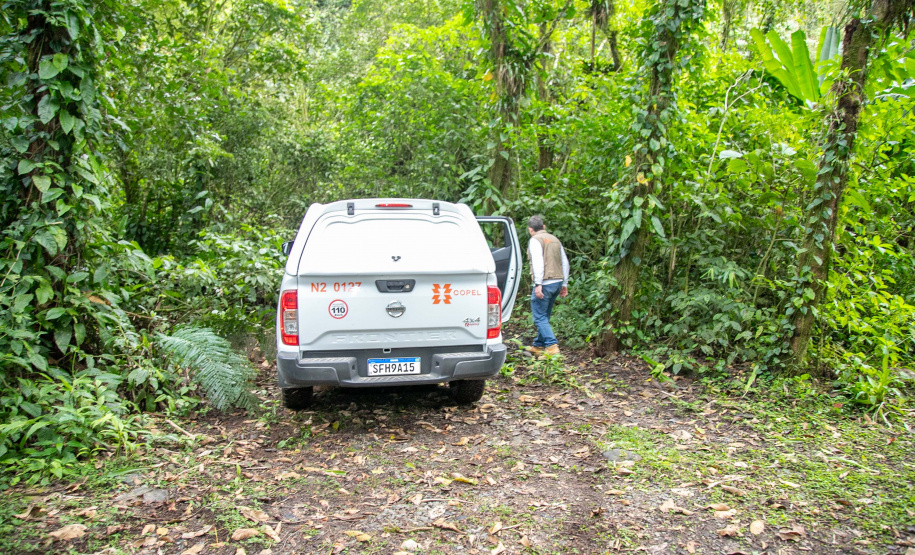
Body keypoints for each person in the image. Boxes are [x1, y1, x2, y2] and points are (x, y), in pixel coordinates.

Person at [525, 215, 569, 356]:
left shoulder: (535, 240)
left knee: (539, 317)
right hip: (557, 282)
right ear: (543, 227)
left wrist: (538, 284)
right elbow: (565, 262)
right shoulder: (555, 240)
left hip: (544, 282)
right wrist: (564, 283)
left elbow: (537, 262)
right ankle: (538, 346)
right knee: (544, 316)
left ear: (530, 229)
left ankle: (551, 346)